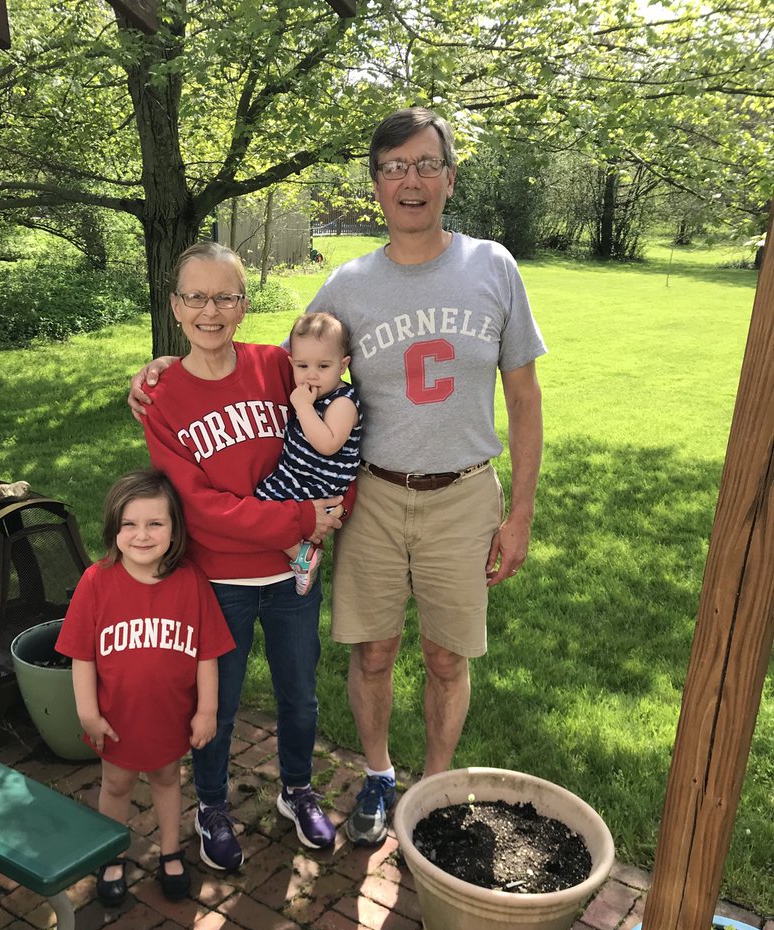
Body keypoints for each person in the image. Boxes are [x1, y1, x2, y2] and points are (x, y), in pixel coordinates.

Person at [129, 108, 545, 851]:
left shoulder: (494, 266)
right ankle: (380, 776)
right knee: (373, 651)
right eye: (393, 168)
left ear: (449, 177)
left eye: (424, 165)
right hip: (375, 493)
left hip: (465, 489)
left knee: (449, 656)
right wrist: (165, 365)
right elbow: (270, 350)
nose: (409, 181)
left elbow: (524, 396)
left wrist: (520, 514)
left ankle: (434, 789)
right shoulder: (348, 284)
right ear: (377, 185)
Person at [138, 242, 346, 872]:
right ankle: (209, 804)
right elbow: (199, 509)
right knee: (217, 704)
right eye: (196, 296)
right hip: (217, 581)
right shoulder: (161, 397)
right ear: (175, 307)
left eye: (225, 296)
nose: (211, 310)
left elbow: (337, 436)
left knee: (299, 694)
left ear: (244, 304)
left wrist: (328, 512)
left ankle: (296, 789)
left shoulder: (275, 367)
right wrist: (300, 520)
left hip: (292, 576)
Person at [55, 469, 235, 906]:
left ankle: (170, 850)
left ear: (174, 531)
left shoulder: (190, 581)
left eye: (155, 523)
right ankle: (111, 854)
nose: (142, 535)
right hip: (116, 718)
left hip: (169, 716)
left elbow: (206, 654)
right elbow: (83, 656)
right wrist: (87, 712)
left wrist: (206, 710)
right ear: (113, 528)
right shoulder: (96, 583)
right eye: (130, 524)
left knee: (167, 778)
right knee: (116, 785)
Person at [255, 311, 360, 595]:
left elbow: (328, 444)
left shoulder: (342, 402)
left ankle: (302, 556)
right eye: (302, 366)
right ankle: (301, 553)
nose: (311, 374)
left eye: (323, 366)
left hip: (319, 481)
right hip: (299, 473)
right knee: (262, 507)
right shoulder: (311, 393)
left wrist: (302, 407)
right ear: (291, 364)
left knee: (264, 507)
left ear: (343, 365)